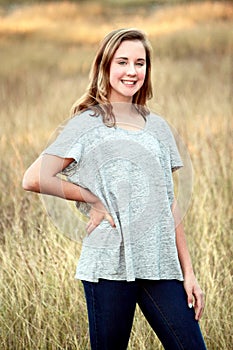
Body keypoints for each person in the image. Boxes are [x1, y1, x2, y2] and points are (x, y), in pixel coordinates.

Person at [22, 28, 207, 350]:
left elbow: (169, 201)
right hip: (107, 265)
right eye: (122, 62)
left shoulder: (159, 127)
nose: (132, 71)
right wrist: (91, 198)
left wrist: (187, 273)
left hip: (159, 265)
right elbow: (34, 178)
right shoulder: (86, 123)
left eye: (140, 63)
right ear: (106, 66)